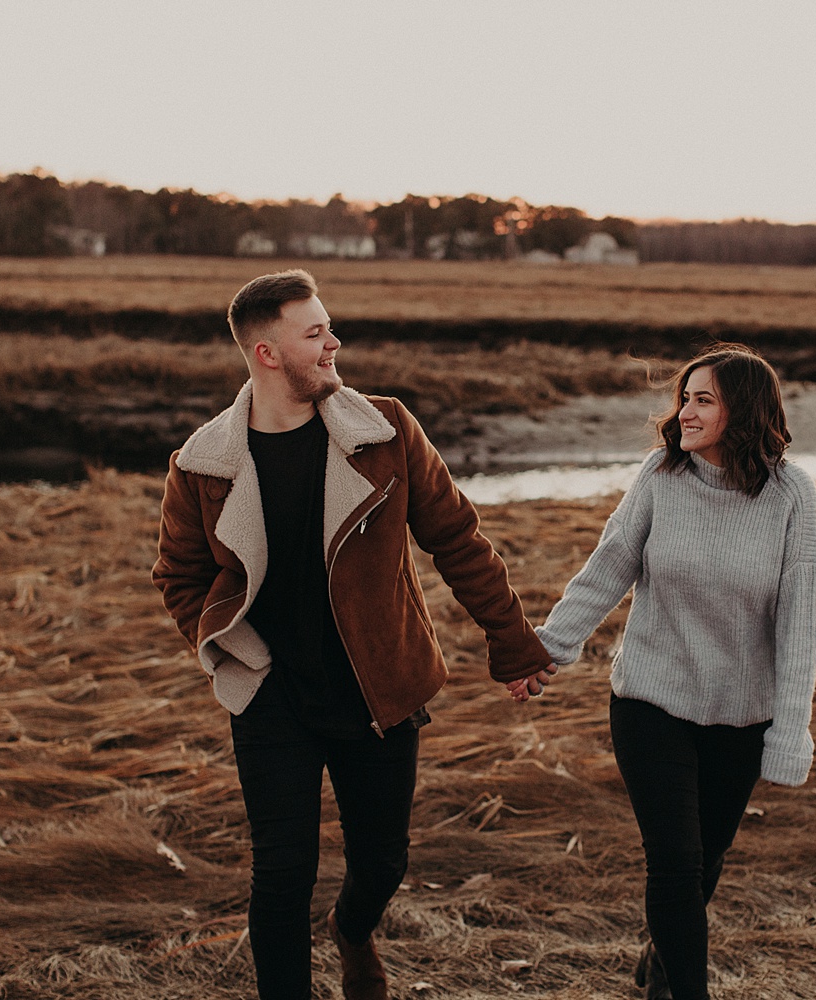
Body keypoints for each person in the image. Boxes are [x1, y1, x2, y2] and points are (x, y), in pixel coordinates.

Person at [152, 268, 553, 1000]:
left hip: (379, 685)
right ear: (268, 353)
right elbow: (177, 575)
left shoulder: (386, 431)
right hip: (271, 696)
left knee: (383, 861)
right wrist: (228, 653)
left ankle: (353, 928)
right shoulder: (202, 466)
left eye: (328, 328)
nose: (334, 343)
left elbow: (458, 540)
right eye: (315, 334)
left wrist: (514, 645)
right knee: (280, 872)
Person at [511, 343, 816, 1000]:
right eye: (684, 397)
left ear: (741, 410)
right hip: (651, 700)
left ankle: (661, 966)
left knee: (704, 864)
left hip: (742, 712)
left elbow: (801, 617)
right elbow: (607, 569)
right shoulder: (661, 477)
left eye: (702, 399)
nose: (684, 410)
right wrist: (548, 649)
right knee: (677, 862)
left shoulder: (792, 494)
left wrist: (791, 729)